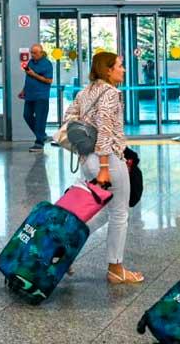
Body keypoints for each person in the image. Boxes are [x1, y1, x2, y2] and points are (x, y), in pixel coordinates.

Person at [62, 51, 142, 285]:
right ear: (108, 70)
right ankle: (116, 269)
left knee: (102, 210)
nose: (123, 69)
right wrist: (105, 167)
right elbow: (106, 129)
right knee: (119, 213)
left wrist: (86, 143)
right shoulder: (110, 93)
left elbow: (69, 120)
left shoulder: (86, 91)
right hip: (107, 160)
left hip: (88, 159)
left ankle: (66, 249)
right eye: (119, 65)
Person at [20, 43, 54, 152]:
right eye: (31, 53)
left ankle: (39, 143)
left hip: (41, 96)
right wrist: (24, 90)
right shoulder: (30, 62)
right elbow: (28, 78)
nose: (32, 55)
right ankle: (42, 136)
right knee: (27, 115)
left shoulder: (47, 64)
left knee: (40, 119)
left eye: (35, 53)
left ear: (41, 53)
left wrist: (34, 74)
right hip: (30, 95)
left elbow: (49, 80)